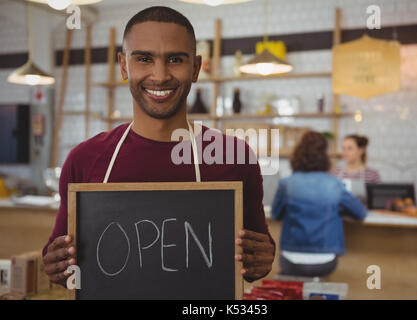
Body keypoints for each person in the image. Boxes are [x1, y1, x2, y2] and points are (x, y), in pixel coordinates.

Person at [42, 6, 275, 287]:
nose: (160, 75)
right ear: (124, 65)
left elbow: (254, 262)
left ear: (196, 68)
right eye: (144, 58)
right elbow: (61, 261)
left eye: (175, 59)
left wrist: (261, 259)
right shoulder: (84, 159)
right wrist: (56, 264)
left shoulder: (235, 157)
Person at [271, 131, 367, 278]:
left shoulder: (287, 184)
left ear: (297, 155)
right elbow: (360, 213)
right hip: (325, 260)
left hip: (291, 260)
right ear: (325, 157)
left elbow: (275, 214)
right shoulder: (334, 184)